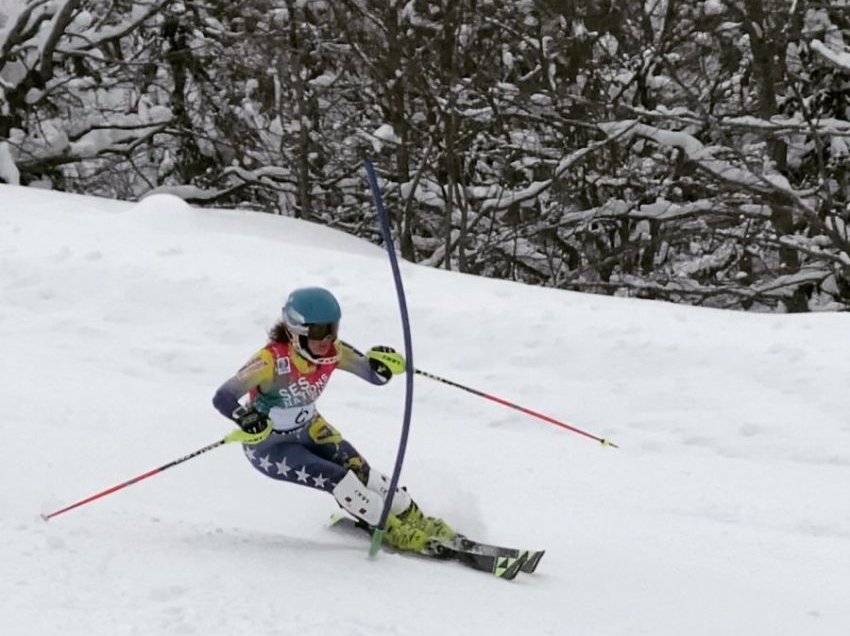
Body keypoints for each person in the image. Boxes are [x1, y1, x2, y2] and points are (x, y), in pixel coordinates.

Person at [212, 286, 454, 552]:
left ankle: (416, 518)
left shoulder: (333, 353)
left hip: (311, 428)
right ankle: (390, 528)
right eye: (317, 332)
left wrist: (382, 365)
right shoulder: (271, 360)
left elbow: (373, 376)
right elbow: (223, 396)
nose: (326, 339)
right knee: (338, 477)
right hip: (271, 446)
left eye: (332, 328)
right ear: (295, 332)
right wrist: (244, 417)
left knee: (363, 471)